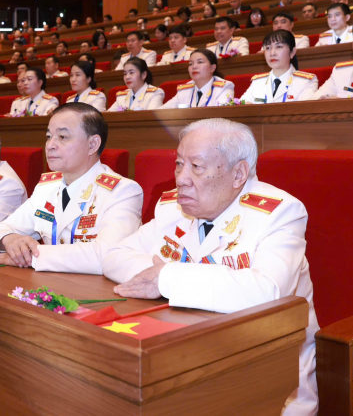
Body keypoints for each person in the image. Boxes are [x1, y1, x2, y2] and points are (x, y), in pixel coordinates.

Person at [103, 118, 319, 416]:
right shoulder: (174, 208)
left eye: (197, 167)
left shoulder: (279, 213)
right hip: (188, 362)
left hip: (267, 382)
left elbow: (268, 291)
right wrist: (160, 276)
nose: (181, 178)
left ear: (238, 173)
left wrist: (167, 276)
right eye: (179, 164)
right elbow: (115, 255)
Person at [0, 103, 143, 273]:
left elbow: (107, 255)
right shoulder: (47, 187)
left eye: (62, 137)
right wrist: (11, 241)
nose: (50, 145)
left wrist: (34, 256)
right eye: (48, 136)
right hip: (50, 285)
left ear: (93, 144)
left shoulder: (123, 191)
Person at [242, 30, 318, 103]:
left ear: (292, 52)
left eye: (279, 47)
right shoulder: (257, 82)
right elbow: (240, 107)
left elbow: (304, 112)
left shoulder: (306, 81)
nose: (272, 53)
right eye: (268, 48)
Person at [160, 49, 234, 109]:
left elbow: (222, 116)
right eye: (191, 64)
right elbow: (162, 111)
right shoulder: (184, 90)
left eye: (200, 62)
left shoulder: (224, 87)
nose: (194, 66)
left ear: (212, 68)